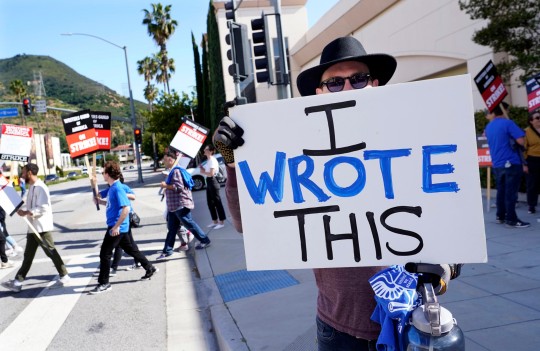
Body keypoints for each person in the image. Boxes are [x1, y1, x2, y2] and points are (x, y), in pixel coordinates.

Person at [213, 36, 462, 350]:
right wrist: (235, 163)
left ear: (375, 85)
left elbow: (451, 214)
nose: (347, 89)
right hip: (337, 329)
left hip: (408, 320)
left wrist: (448, 268)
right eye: (334, 83)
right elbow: (245, 223)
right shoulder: (300, 151)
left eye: (358, 80)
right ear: (319, 93)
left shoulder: (411, 138)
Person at [90, 161, 158, 294]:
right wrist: (98, 198)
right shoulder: (112, 188)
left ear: (108, 174)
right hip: (118, 227)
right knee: (132, 249)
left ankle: (104, 283)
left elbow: (126, 208)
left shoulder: (117, 188)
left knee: (105, 253)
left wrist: (116, 227)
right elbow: (108, 202)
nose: (102, 174)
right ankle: (149, 267)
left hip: (117, 227)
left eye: (103, 172)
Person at [1, 163, 70, 293]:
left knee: (50, 251)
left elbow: (43, 207)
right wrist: (23, 211)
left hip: (41, 228)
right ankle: (17, 282)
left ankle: (64, 275)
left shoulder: (41, 187)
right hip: (33, 227)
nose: (22, 174)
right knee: (28, 256)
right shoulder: (32, 187)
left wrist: (27, 212)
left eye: (24, 172)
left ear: (30, 173)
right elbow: (33, 207)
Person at [157, 148, 211, 260]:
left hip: (180, 204)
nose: (164, 162)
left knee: (189, 224)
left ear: (171, 160)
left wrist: (165, 185)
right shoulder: (172, 171)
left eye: (166, 160)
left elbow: (179, 187)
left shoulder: (176, 171)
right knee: (172, 228)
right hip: (174, 207)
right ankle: (167, 251)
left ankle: (204, 240)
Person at [485, 102, 530, 228]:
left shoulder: (489, 127)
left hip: (497, 163)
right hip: (511, 161)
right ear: (504, 110)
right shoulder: (508, 123)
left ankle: (500, 216)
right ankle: (511, 219)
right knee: (511, 192)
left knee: (502, 190)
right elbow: (521, 141)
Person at [200, 144, 226, 229]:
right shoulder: (208, 160)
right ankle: (215, 221)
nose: (204, 150)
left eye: (206, 149)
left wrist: (203, 172)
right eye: (204, 149)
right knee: (210, 203)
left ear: (211, 151)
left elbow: (211, 174)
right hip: (209, 181)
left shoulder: (212, 160)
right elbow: (207, 172)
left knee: (217, 202)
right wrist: (202, 169)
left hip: (213, 181)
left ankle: (221, 222)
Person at [524, 109, 540, 214]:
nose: (539, 120)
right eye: (537, 118)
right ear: (531, 121)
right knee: (532, 183)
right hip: (533, 160)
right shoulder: (526, 132)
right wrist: (524, 164)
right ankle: (531, 205)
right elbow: (523, 149)